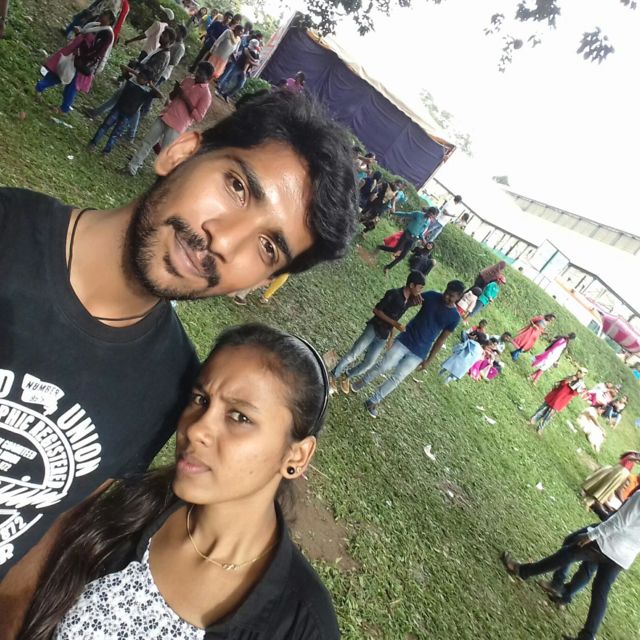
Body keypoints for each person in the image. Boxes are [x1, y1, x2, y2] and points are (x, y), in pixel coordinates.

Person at [0, 91, 358, 636]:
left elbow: (44, 534)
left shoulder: (170, 386)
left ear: (262, 282)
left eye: (267, 247)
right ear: (181, 151)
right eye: (236, 187)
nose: (224, 240)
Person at [16, 324, 340, 640]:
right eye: (200, 399)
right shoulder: (131, 511)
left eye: (240, 417)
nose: (196, 429)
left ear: (297, 456)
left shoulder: (302, 625)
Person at [501, 490, 640, 640]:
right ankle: (587, 636)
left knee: (568, 554)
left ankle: (522, 571)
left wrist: (592, 535)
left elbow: (620, 521)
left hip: (608, 543)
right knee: (600, 592)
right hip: (623, 556)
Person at [351, 280, 465, 418]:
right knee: (384, 365)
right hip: (405, 339)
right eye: (446, 292)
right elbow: (410, 299)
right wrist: (411, 301)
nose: (446, 296)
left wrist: (429, 360)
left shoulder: (454, 318)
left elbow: (441, 340)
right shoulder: (432, 296)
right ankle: (362, 381)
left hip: (420, 351)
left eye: (451, 296)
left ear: (459, 297)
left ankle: (373, 401)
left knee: (398, 377)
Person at [330, 272, 425, 394]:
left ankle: (347, 375)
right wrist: (395, 324)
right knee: (354, 354)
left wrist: (391, 337)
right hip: (374, 327)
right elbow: (377, 310)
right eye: (420, 287)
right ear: (412, 285)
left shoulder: (408, 302)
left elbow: (398, 316)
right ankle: (333, 375)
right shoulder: (393, 294)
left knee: (369, 363)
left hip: (383, 335)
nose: (421, 291)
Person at [128, 61, 214, 176]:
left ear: (208, 78)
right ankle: (133, 166)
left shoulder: (206, 95)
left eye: (201, 74)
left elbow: (198, 117)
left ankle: (161, 176)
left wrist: (186, 99)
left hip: (178, 125)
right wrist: (175, 91)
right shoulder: (188, 80)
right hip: (166, 115)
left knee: (165, 153)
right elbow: (172, 97)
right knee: (147, 141)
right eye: (197, 71)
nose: (197, 75)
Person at [35, 10, 115, 114]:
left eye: (105, 15)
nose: (102, 16)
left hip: (84, 60)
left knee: (70, 82)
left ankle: (62, 106)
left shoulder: (107, 34)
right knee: (61, 73)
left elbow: (98, 51)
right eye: (103, 13)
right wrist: (79, 35)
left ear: (110, 20)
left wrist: (82, 52)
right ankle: (44, 90)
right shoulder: (95, 25)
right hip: (75, 55)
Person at [89, 68, 159, 154]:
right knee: (105, 126)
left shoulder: (147, 91)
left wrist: (151, 85)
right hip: (118, 109)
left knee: (115, 134)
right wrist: (135, 73)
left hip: (128, 115)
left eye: (143, 78)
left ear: (147, 81)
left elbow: (160, 95)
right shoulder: (131, 80)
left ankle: (106, 150)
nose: (140, 79)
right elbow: (123, 67)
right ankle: (93, 143)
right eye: (140, 76)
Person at [378, 207, 438, 274]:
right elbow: (406, 214)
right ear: (428, 212)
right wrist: (394, 213)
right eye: (431, 215)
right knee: (395, 249)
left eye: (433, 216)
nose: (431, 217)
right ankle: (379, 247)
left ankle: (387, 267)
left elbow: (421, 233)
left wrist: (423, 239)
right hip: (407, 234)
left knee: (402, 256)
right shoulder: (418, 214)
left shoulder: (428, 222)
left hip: (413, 239)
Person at [529, 369, 588, 433]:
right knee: (542, 409)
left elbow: (574, 393)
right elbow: (561, 383)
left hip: (562, 400)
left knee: (549, 415)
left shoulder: (581, 385)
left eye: (581, 372)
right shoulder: (570, 376)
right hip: (555, 395)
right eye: (578, 371)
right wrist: (570, 379)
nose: (578, 373)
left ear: (584, 375)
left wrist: (576, 386)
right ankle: (533, 420)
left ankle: (540, 428)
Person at [217, 37, 260, 102]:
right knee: (229, 79)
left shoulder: (256, 53)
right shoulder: (246, 49)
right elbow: (249, 61)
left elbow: (257, 64)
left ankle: (226, 94)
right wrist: (254, 61)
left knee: (240, 85)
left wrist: (253, 62)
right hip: (238, 66)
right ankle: (219, 91)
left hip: (245, 71)